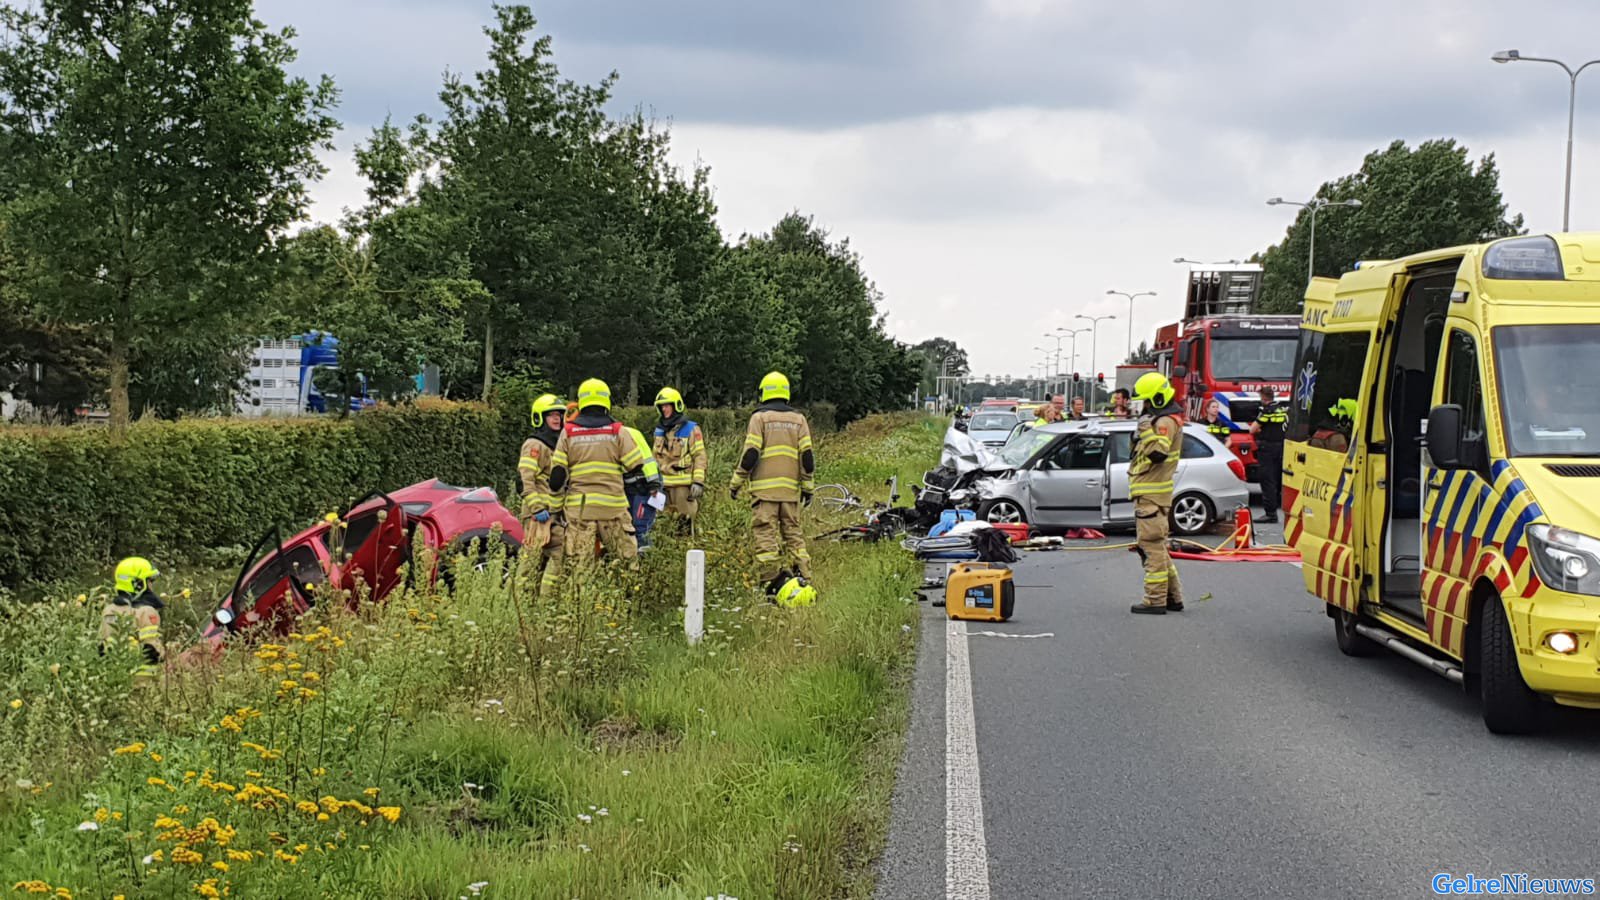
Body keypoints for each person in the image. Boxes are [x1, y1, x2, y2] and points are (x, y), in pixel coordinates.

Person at [548, 378, 651, 571]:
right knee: (627, 564)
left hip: (580, 511)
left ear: (581, 401)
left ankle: (583, 599)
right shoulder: (617, 431)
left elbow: (556, 479)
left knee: (580, 568)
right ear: (606, 401)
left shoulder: (568, 433)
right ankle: (626, 598)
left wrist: (556, 510)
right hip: (612, 509)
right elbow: (636, 467)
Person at [731, 371, 816, 597]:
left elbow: (751, 454)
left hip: (765, 492)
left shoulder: (759, 419)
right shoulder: (799, 420)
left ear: (764, 392)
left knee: (765, 535)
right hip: (790, 492)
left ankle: (771, 583)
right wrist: (808, 487)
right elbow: (807, 457)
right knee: (794, 535)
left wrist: (736, 482)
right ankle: (804, 578)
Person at [1129, 373, 1185, 615]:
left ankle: (1155, 600)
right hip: (1153, 495)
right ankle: (1173, 597)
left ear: (1158, 399)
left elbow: (1157, 454)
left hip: (1151, 496)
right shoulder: (1165, 420)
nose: (1145, 408)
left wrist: (1146, 431)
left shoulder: (1164, 423)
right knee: (1159, 548)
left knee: (1150, 547)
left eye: (1147, 402)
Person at [517, 393, 567, 595]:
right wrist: (537, 508)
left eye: (559, 415)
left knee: (552, 555)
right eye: (551, 415)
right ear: (540, 418)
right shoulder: (534, 445)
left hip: (554, 513)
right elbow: (525, 479)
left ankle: (542, 600)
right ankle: (523, 600)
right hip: (538, 515)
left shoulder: (558, 444)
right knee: (533, 559)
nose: (557, 419)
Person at [651, 387, 708, 528]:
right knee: (663, 528)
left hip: (683, 488)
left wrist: (698, 482)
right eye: (661, 406)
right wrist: (652, 483)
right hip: (662, 488)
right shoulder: (659, 430)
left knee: (685, 526)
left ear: (676, 406)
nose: (664, 410)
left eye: (667, 406)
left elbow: (700, 456)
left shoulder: (691, 429)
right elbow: (653, 458)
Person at [101, 557, 163, 679]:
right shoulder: (146, 612)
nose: (151, 586)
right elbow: (152, 650)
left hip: (113, 680)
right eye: (150, 581)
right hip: (144, 682)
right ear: (139, 584)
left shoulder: (108, 611)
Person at [623, 424, 665, 550]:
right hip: (629, 486)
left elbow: (647, 460)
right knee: (628, 526)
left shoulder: (629, 434)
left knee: (640, 527)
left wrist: (653, 485)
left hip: (646, 485)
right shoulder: (608, 437)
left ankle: (645, 560)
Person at [1251, 387, 1289, 524]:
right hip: (1281, 447)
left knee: (1267, 480)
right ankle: (1279, 507)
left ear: (1263, 398)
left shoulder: (1266, 412)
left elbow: (1252, 429)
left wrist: (1261, 428)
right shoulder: (1282, 410)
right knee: (1278, 479)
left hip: (1267, 449)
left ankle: (1271, 514)